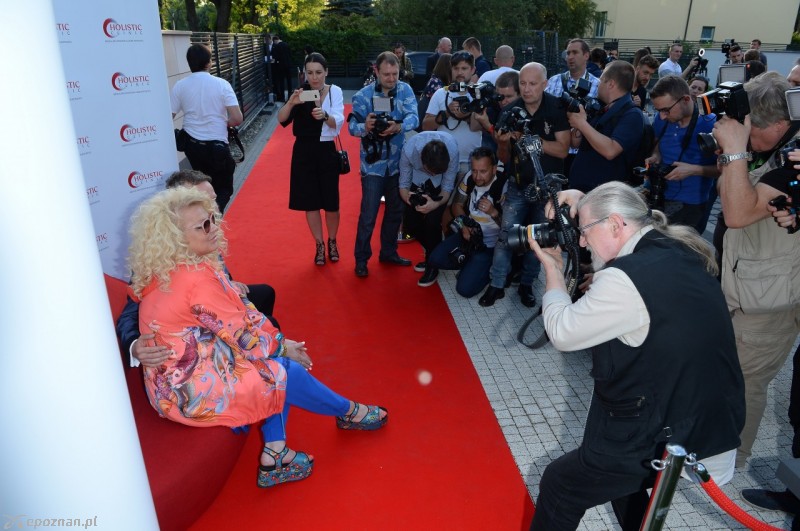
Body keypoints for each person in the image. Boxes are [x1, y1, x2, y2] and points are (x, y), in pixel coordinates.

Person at [127, 186, 388, 488]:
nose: (214, 228)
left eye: (212, 218)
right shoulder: (196, 278)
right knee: (283, 371)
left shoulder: (167, 268)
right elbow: (244, 336)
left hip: (173, 384)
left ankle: (276, 454)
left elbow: (240, 314)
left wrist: (279, 343)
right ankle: (349, 412)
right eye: (204, 225)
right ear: (175, 237)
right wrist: (283, 347)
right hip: (189, 393)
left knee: (274, 364)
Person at [528, 181, 745, 531]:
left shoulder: (623, 278)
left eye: (584, 232)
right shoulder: (675, 246)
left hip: (667, 433)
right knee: (620, 486)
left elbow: (563, 332)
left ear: (616, 225)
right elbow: (613, 212)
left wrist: (552, 269)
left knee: (561, 484)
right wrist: (583, 200)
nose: (581, 242)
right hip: (711, 416)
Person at [710, 71, 800, 468]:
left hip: (769, 303)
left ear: (779, 125)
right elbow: (728, 189)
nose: (746, 135)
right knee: (728, 375)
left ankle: (731, 459)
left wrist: (735, 152)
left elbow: (737, 212)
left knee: (745, 383)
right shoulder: (772, 147)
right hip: (744, 286)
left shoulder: (795, 161)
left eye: (751, 130)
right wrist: (738, 157)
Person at [116, 169, 278, 368]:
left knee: (266, 294)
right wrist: (134, 346)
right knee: (268, 330)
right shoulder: (156, 260)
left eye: (212, 199)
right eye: (201, 200)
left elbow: (218, 281)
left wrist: (228, 284)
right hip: (193, 333)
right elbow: (129, 314)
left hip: (217, 308)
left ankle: (262, 358)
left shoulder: (206, 228)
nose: (214, 209)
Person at [479, 62, 570, 308]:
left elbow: (563, 149)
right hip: (518, 184)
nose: (527, 89)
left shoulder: (556, 107)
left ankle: (528, 284)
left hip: (549, 189)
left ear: (544, 84)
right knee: (506, 236)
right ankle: (496, 285)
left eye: (532, 84)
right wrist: (502, 143)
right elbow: (505, 158)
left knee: (539, 239)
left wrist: (533, 140)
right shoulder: (510, 110)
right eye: (523, 83)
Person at [349, 51, 419, 278]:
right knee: (368, 214)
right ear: (376, 71)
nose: (391, 78)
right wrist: (366, 127)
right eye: (386, 74)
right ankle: (361, 260)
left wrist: (398, 127)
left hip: (398, 164)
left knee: (395, 212)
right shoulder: (363, 96)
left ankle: (388, 252)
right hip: (373, 166)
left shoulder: (406, 90)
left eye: (395, 73)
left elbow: (414, 117)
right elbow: (352, 127)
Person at [278, 53, 345, 266]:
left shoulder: (334, 91)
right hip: (303, 152)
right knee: (310, 202)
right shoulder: (301, 92)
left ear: (326, 72)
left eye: (318, 72)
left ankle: (332, 240)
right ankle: (319, 244)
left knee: (331, 203)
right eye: (309, 73)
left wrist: (324, 115)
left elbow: (338, 122)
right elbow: (281, 120)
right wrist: (291, 102)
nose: (314, 77)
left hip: (326, 150)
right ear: (304, 73)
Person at [422, 147, 507, 295]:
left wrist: (493, 212)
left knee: (465, 290)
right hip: (468, 236)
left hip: (490, 245)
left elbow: (510, 228)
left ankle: (489, 268)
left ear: (493, 169)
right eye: (474, 170)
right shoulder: (469, 178)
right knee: (434, 259)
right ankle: (471, 264)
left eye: (483, 171)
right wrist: (464, 226)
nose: (477, 176)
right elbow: (457, 205)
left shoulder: (503, 186)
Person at [171, 44, 242, 213]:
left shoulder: (180, 86)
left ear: (189, 63)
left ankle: (203, 219)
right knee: (222, 189)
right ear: (209, 63)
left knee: (199, 188)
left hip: (192, 146)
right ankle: (213, 219)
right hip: (217, 146)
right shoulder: (222, 84)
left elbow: (168, 116)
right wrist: (224, 123)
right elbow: (237, 118)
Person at [646, 75, 718, 232]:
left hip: (691, 204)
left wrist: (693, 170)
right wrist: (656, 156)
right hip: (658, 195)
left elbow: (726, 169)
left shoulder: (711, 124)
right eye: (659, 111)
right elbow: (658, 144)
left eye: (666, 110)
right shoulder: (661, 117)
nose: (662, 116)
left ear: (686, 99)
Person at [567, 61, 644, 192]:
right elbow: (575, 143)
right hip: (580, 188)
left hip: (603, 196)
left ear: (611, 84)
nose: (597, 85)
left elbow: (611, 151)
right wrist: (578, 122)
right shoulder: (601, 108)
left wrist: (582, 124)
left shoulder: (632, 114)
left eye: (601, 80)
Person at [398, 132, 459, 277]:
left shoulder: (452, 150)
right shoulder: (409, 150)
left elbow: (447, 187)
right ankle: (434, 253)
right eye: (429, 171)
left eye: (435, 172)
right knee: (410, 225)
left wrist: (435, 205)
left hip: (439, 186)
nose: (432, 174)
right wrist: (409, 199)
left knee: (432, 223)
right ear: (422, 161)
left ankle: (432, 263)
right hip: (415, 181)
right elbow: (403, 185)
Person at [423, 51, 482, 178]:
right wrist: (447, 113)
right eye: (456, 68)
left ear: (473, 70)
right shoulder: (441, 93)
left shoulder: (479, 94)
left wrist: (466, 116)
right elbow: (425, 126)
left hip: (471, 161)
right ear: (451, 69)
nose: (460, 72)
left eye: (464, 68)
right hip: (443, 160)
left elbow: (480, 127)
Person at [271, 35, 293, 102]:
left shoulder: (277, 46)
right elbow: (290, 54)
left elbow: (276, 57)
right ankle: (290, 95)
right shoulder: (286, 44)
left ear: (275, 40)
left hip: (281, 66)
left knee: (281, 82)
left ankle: (282, 97)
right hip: (288, 65)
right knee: (289, 80)